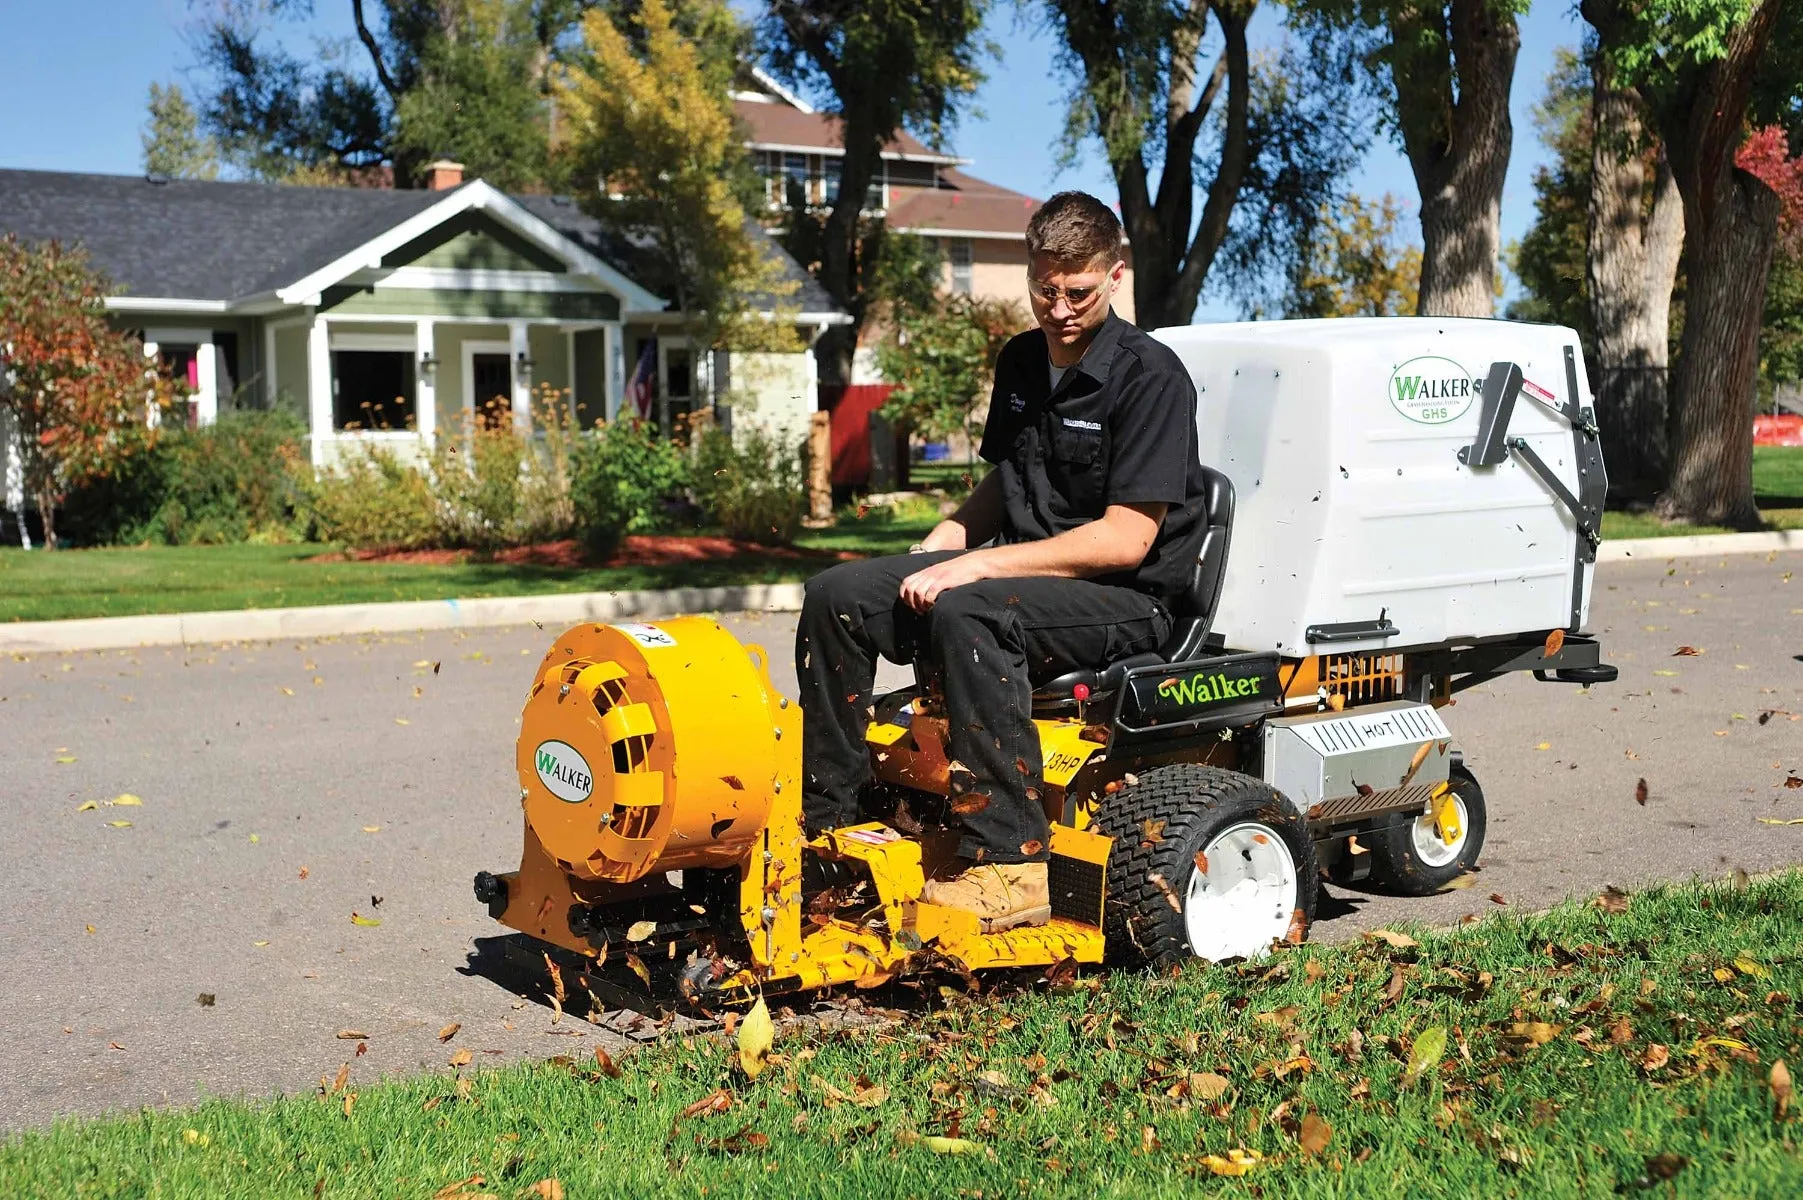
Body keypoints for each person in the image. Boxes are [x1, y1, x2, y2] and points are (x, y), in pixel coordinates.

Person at [795, 190, 1207, 930]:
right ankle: (831, 826)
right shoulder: (1021, 361)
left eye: (1077, 291)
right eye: (1043, 289)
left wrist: (980, 567)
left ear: (1114, 277)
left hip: (1126, 600)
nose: (1059, 307)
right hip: (1021, 582)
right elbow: (1007, 478)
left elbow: (1125, 539)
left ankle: (1012, 866)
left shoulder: (1151, 377)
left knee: (969, 607)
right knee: (839, 593)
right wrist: (946, 539)